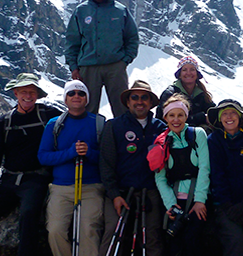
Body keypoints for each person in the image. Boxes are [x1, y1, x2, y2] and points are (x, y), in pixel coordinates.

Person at [0, 73, 61, 256]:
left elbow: (70, 126)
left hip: (36, 179)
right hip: (7, 180)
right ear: (16, 93)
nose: (28, 96)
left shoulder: (49, 114)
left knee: (29, 215)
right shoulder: (4, 122)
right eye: (24, 91)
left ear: (38, 95)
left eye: (32, 92)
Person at [99, 80, 167, 256]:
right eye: (134, 97)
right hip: (121, 191)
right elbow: (106, 163)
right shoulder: (113, 126)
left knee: (152, 236)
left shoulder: (161, 128)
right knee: (114, 232)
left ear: (151, 103)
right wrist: (114, 195)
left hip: (150, 192)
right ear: (128, 102)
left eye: (144, 98)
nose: (139, 101)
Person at [38, 80, 106, 256]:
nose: (76, 96)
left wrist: (89, 153)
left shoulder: (99, 123)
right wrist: (70, 153)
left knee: (88, 231)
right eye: (72, 93)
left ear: (87, 99)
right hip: (61, 187)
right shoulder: (54, 124)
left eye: (81, 93)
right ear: (66, 99)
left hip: (91, 187)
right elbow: (43, 156)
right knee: (55, 230)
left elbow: (108, 159)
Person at [66, 0, 139, 118]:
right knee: (87, 110)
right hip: (88, 68)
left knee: (122, 109)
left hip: (115, 67)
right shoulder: (81, 11)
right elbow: (72, 41)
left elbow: (132, 37)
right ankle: (87, 141)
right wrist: (74, 67)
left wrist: (124, 61)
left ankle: (126, 140)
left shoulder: (120, 10)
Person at [206, 100, 243, 256]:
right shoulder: (213, 140)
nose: (229, 117)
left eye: (232, 113)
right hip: (225, 204)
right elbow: (216, 174)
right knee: (235, 241)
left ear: (240, 117)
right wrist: (227, 205)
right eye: (224, 113)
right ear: (219, 119)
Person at [154, 93, 210, 256]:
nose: (176, 120)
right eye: (171, 115)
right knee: (175, 246)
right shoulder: (161, 142)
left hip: (198, 200)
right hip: (175, 202)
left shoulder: (197, 134)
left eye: (180, 115)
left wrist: (200, 200)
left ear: (186, 116)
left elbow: (205, 168)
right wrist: (171, 205)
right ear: (165, 118)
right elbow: (160, 178)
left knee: (194, 242)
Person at [156, 56, 215, 128]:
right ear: (179, 75)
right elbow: (161, 120)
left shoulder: (202, 95)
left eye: (192, 69)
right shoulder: (170, 93)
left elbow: (213, 111)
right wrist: (200, 117)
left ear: (197, 74)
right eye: (184, 70)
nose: (188, 73)